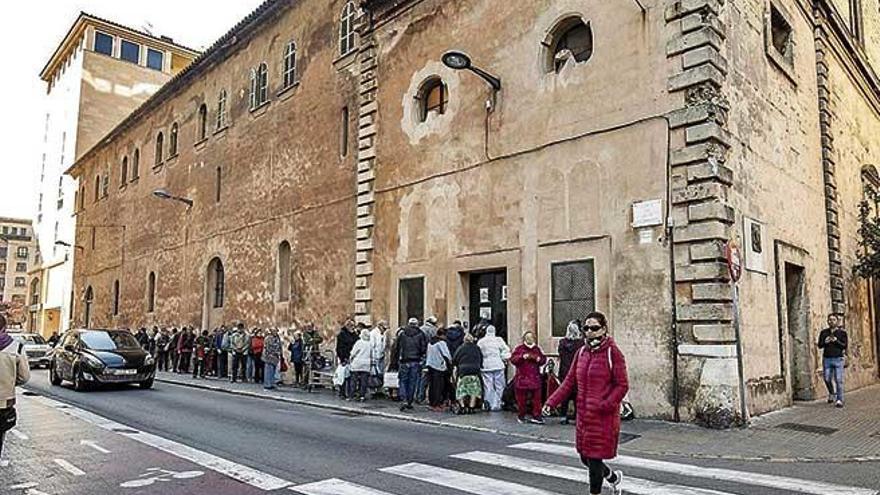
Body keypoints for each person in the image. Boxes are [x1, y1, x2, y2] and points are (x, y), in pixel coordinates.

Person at [543, 312, 628, 495]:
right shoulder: (581, 352)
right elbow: (569, 382)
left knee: (595, 458)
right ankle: (613, 478)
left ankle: (595, 492)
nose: (590, 332)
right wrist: (551, 402)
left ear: (604, 329)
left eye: (594, 328)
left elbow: (622, 385)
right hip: (584, 417)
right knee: (585, 457)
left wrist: (605, 405)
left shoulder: (613, 353)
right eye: (586, 328)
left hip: (603, 416)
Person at [1, 314, 30, 461]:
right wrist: (10, 381)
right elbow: (24, 377)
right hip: (4, 403)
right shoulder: (16, 347)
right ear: (5, 328)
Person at [511, 331, 547, 424]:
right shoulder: (519, 349)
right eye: (527, 338)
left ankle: (536, 416)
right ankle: (521, 415)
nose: (529, 339)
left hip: (534, 378)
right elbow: (513, 359)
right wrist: (522, 357)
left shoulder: (536, 349)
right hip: (522, 378)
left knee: (537, 399)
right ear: (524, 339)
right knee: (521, 399)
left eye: (531, 338)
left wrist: (539, 359)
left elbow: (543, 359)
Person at [396, 318, 428, 411]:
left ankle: (404, 399)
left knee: (402, 380)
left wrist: (396, 359)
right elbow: (423, 348)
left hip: (404, 360)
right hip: (415, 361)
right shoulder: (421, 334)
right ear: (417, 324)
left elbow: (397, 347)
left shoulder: (402, 334)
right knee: (412, 382)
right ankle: (409, 401)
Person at [478, 325, 511, 412]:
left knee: (488, 385)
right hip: (498, 364)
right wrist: (504, 358)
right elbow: (506, 350)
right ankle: (498, 403)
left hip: (486, 365)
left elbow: (478, 352)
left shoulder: (481, 342)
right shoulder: (498, 340)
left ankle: (488, 403)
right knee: (500, 385)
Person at [818, 314, 848, 407]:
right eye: (829, 320)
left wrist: (836, 341)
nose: (831, 321)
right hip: (827, 358)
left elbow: (844, 346)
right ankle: (831, 393)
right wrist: (825, 342)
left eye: (833, 320)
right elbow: (819, 345)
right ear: (827, 321)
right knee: (827, 378)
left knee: (838, 380)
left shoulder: (842, 333)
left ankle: (839, 400)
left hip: (838, 359)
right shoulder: (824, 333)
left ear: (837, 321)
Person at [557, 321, 584, 424]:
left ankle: (563, 417)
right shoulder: (581, 343)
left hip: (564, 371)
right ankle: (577, 417)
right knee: (578, 395)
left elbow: (560, 354)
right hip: (577, 372)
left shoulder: (562, 343)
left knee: (564, 395)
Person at [452, 333, 483, 414]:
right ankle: (471, 408)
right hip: (474, 371)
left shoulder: (460, 348)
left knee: (461, 390)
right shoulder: (477, 348)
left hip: (463, 371)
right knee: (474, 390)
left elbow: (455, 359)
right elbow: (481, 358)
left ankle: (462, 407)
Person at [426, 328, 452, 411]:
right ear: (443, 335)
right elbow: (446, 355)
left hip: (430, 365)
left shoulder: (430, 342)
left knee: (432, 385)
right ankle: (437, 404)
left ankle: (431, 403)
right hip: (439, 366)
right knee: (438, 386)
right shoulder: (441, 343)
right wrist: (450, 363)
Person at [335, 320, 358, 399]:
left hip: (353, 358)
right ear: (348, 326)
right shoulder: (342, 335)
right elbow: (339, 348)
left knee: (351, 376)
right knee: (343, 376)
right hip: (344, 358)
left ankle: (350, 392)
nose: (353, 328)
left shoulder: (354, 334)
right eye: (352, 326)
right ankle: (342, 392)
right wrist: (342, 359)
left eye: (354, 326)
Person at [349, 329, 372, 401]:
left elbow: (353, 353)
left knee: (354, 380)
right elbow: (372, 354)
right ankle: (362, 395)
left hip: (357, 363)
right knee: (364, 381)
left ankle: (352, 395)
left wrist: (350, 359)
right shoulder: (370, 344)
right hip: (366, 364)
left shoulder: (359, 343)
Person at [369, 321, 388, 391]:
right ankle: (373, 389)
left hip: (381, 355)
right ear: (380, 326)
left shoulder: (383, 334)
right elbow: (372, 346)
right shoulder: (373, 333)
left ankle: (379, 388)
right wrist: (373, 358)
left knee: (380, 373)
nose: (385, 330)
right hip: (375, 356)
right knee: (374, 374)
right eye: (384, 328)